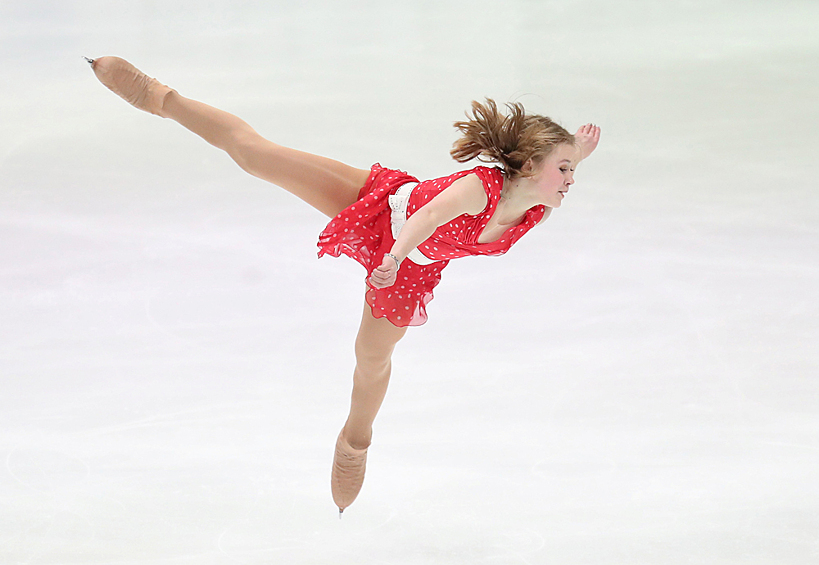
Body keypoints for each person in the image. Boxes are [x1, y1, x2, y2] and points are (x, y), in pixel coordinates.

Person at [86, 56, 601, 515]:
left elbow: (552, 167)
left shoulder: (536, 203)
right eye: (563, 169)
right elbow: (425, 217)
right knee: (256, 156)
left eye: (572, 169)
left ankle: (354, 443)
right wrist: (392, 256)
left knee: (371, 359)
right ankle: (160, 97)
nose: (570, 179)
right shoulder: (481, 187)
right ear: (530, 166)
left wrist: (576, 149)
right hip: (390, 213)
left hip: (413, 268)